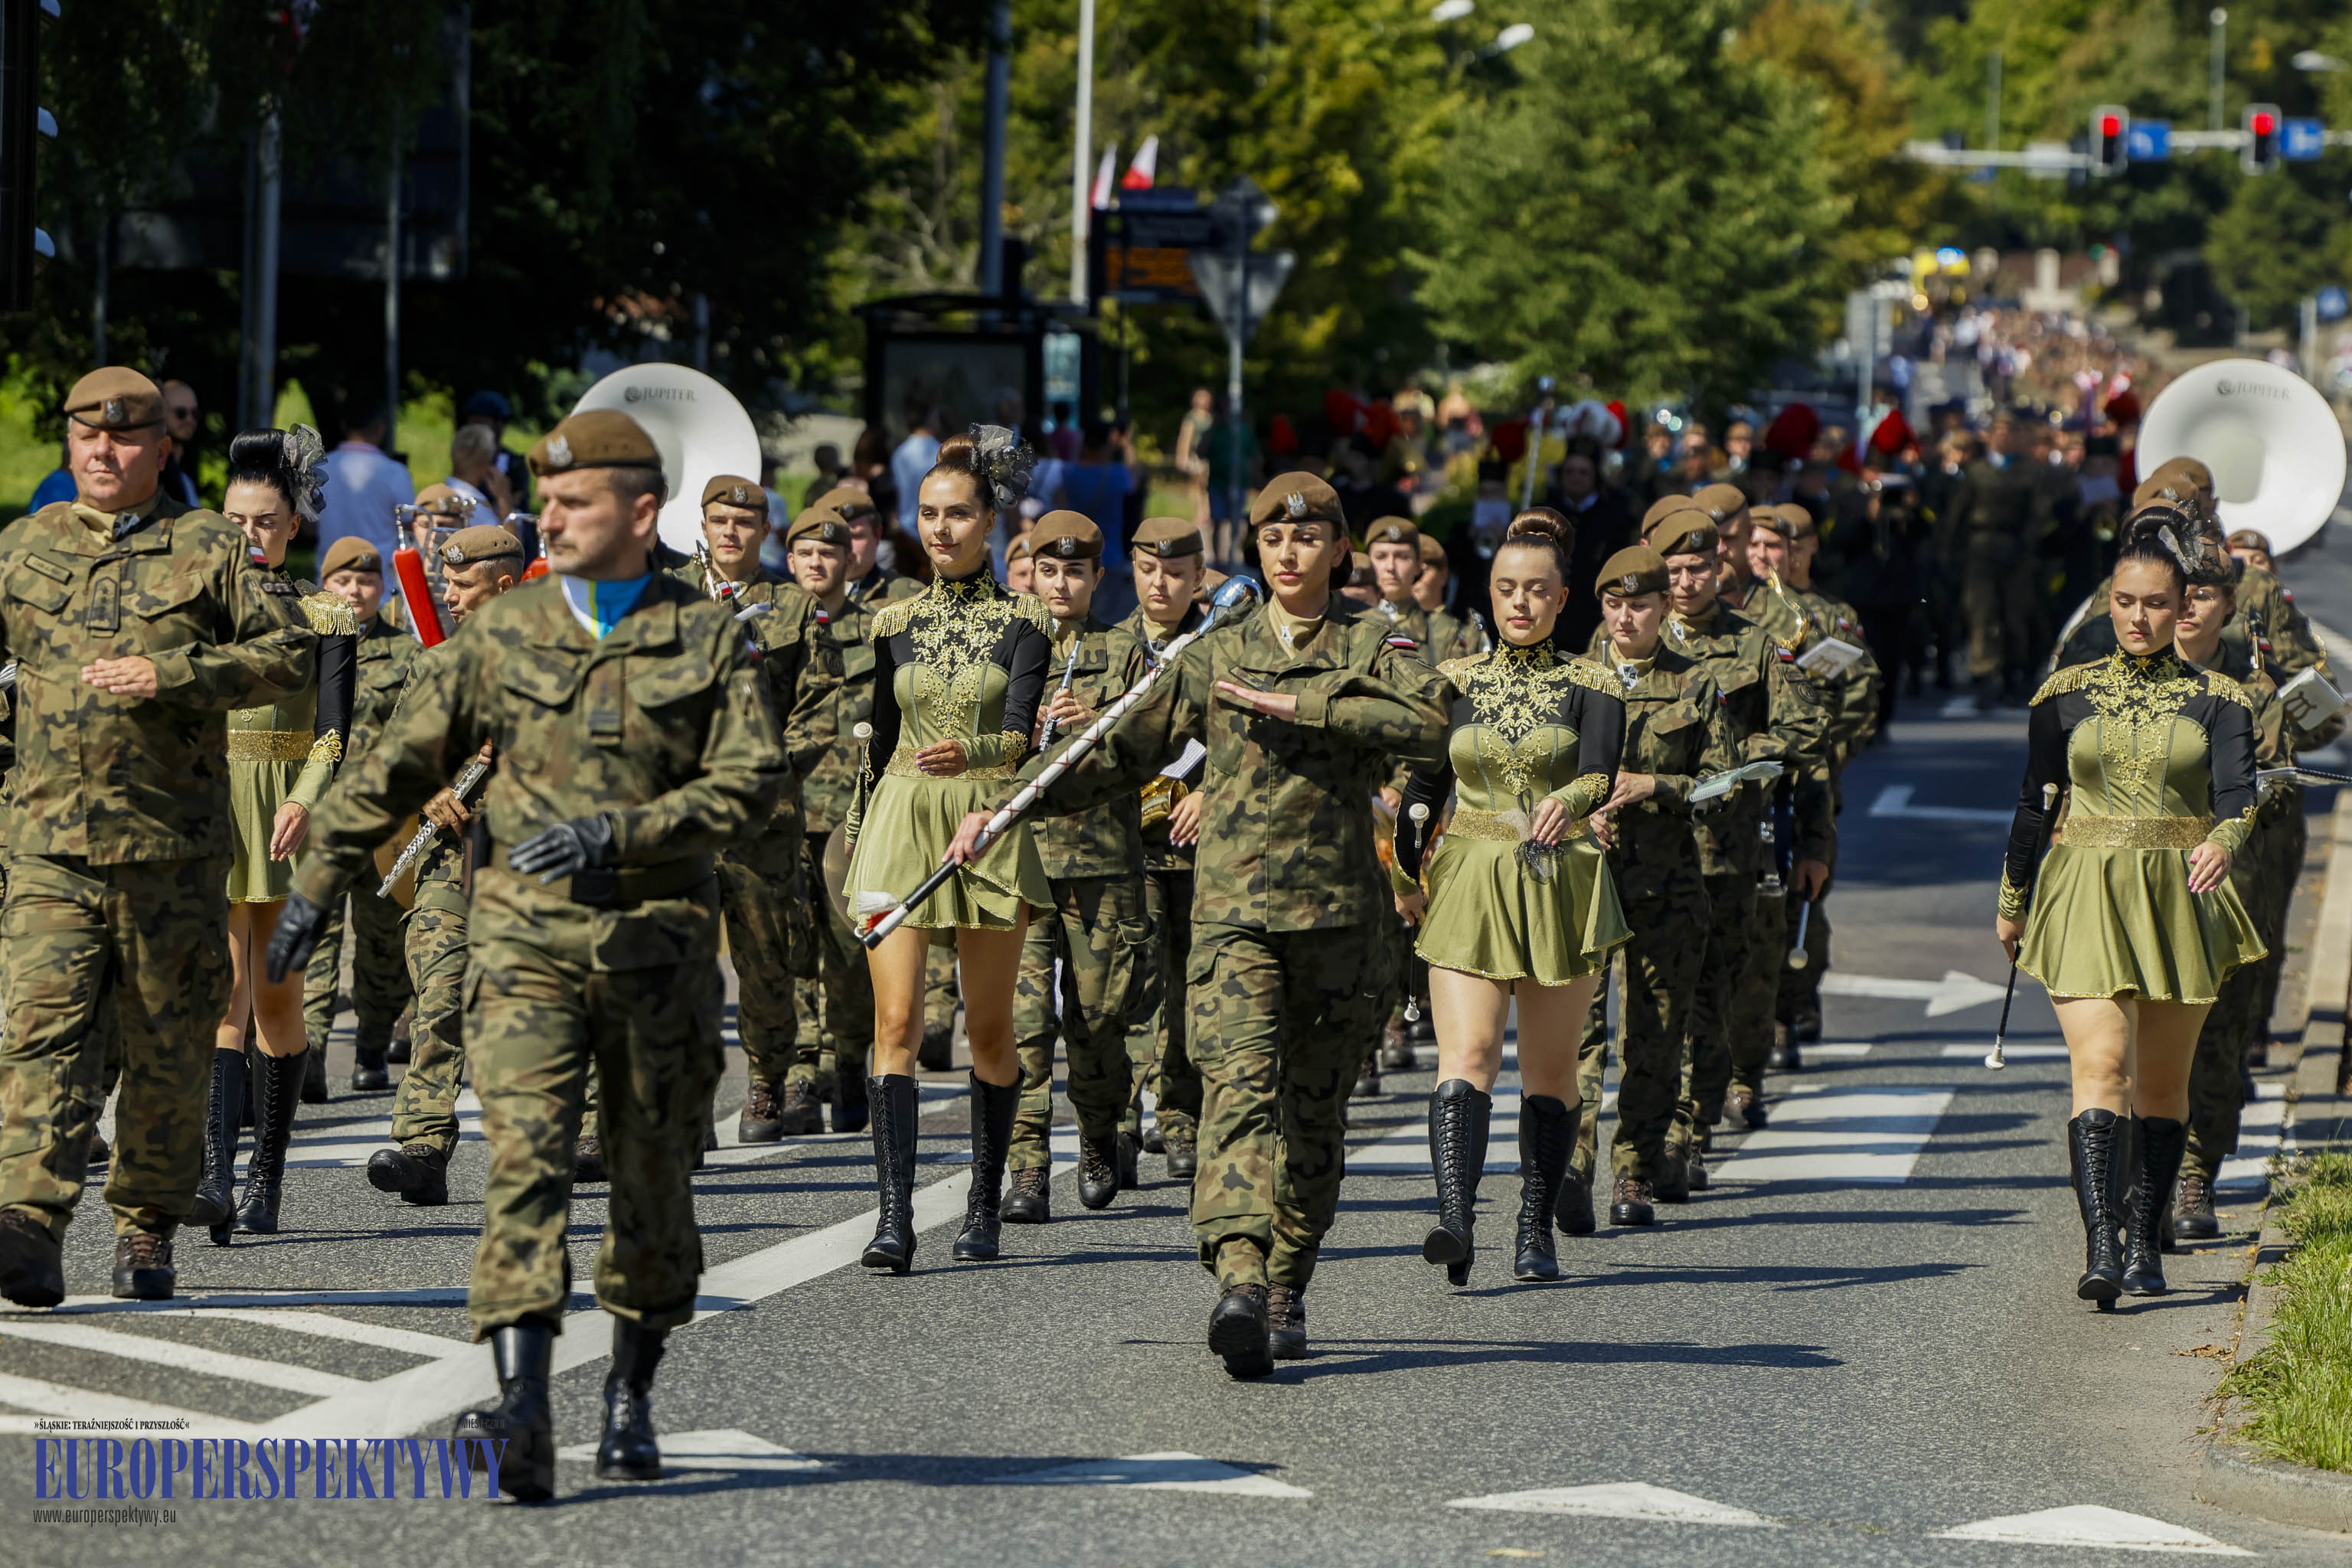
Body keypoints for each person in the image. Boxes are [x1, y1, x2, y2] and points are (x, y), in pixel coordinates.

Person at [266, 407, 785, 1498]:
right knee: (523, 1170)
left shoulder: (705, 635)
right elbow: (396, 764)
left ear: (642, 513)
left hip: (657, 952)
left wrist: (623, 831)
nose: (550, 517)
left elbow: (751, 784)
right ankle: (525, 1407)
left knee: (650, 1188)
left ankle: (632, 1390)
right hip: (527, 947)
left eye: (574, 503)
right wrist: (315, 888)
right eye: (543, 502)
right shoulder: (504, 635)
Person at [1013, 471, 1449, 1376]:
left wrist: (1306, 704)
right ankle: (1241, 1276)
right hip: (1233, 918)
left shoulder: (1375, 638)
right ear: (1256, 549)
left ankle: (1289, 1276)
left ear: (1338, 548)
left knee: (1314, 1110)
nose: (1289, 552)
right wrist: (1014, 799)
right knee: (1237, 1092)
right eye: (1273, 539)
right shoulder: (1218, 644)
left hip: (1337, 921)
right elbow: (1131, 741)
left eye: (1309, 537)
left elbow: (1432, 720)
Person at [0, 368, 314, 1309]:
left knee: (168, 1048)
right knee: (38, 1038)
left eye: (128, 437)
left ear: (160, 449)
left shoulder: (211, 548)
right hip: (49, 848)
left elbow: (288, 651)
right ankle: (28, 1220)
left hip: (172, 856)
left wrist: (174, 671)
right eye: (88, 437)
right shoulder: (23, 546)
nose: (105, 451)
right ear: (69, 443)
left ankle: (144, 1222)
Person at [1997, 510, 2265, 1306]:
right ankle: (2103, 1245)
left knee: (2159, 1085)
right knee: (2101, 1067)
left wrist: (2224, 838)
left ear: (2182, 606)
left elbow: (2241, 795)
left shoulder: (2221, 699)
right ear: (2108, 602)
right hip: (2082, 890)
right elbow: (2031, 804)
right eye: (2123, 600)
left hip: (2179, 898)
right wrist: (2012, 901)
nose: (2137, 617)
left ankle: (2148, 1234)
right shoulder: (2063, 694)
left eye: (2154, 603)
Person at [1392, 514, 1631, 1285]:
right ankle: (1455, 1220)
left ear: (1563, 598)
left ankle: (1535, 1223)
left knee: (1551, 1071)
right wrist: (1403, 871)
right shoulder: (1453, 682)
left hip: (1557, 878)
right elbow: (1423, 790)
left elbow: (1599, 770)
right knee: (1466, 1054)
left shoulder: (1594, 682)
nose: (1519, 603)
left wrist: (1574, 799)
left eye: (1536, 590)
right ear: (1488, 595)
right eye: (1505, 589)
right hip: (1468, 875)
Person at [844, 428, 1053, 1274]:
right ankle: (893, 1216)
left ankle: (981, 1202)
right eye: (928, 514)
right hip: (899, 814)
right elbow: (877, 738)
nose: (940, 528)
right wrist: (859, 830)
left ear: (989, 522)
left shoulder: (1025, 623)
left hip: (986, 821)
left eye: (958, 514)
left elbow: (1022, 734)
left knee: (991, 1030)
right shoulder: (891, 622)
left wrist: (972, 758)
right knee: (894, 1021)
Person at [183, 429, 359, 1245]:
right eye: (233, 519)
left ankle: (268, 1177)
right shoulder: (198, 607)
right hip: (215, 808)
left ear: (293, 525)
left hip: (290, 814)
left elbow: (333, 730)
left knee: (279, 1003)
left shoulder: (325, 613)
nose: (246, 534)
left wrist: (306, 797)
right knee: (225, 994)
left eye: (262, 521)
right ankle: (214, 1176)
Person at [1644, 507, 1831, 1154]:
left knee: (1717, 996)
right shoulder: (1627, 639)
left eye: (1701, 567)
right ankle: (1659, 1135)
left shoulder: (1754, 643)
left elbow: (1809, 737)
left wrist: (1732, 753)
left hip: (1729, 849)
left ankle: (1694, 1122)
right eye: (1675, 569)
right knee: (1652, 1005)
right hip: (1646, 853)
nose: (1690, 580)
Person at [1570, 546, 1738, 1227]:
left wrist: (1655, 787)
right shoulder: (1573, 681)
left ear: (1664, 608)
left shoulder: (1694, 684)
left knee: (1656, 1032)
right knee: (1578, 1033)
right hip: (1580, 883)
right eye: (1613, 604)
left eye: (1639, 605)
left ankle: (1634, 1172)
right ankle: (1570, 1166)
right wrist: (1580, 810)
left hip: (1665, 885)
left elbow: (1725, 785)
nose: (1625, 618)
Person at [361, 524, 524, 1210]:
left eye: (460, 584)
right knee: (440, 996)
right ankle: (423, 1145)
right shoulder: (435, 665)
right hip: (450, 864)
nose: (447, 595)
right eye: (445, 582)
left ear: (505, 587)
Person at [1004, 511, 1155, 1219]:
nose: (1059, 584)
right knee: (1023, 1022)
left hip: (1100, 859)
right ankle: (1027, 1167)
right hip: (1021, 856)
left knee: (1095, 1022)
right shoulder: (1011, 645)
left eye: (1074, 571)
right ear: (1029, 572)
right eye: (1047, 569)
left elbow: (1153, 751)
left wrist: (1097, 717)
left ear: (1098, 577)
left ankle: (1100, 1133)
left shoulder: (1126, 651)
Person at [678, 476, 832, 1145]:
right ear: (704, 524)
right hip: (682, 816)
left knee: (767, 963)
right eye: (720, 520)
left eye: (745, 522)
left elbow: (820, 704)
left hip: (762, 820)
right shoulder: (665, 594)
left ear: (765, 532)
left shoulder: (794, 608)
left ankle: (767, 1080)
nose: (731, 532)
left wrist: (768, 767)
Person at [299, 536, 416, 1095]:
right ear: (326, 585)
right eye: (343, 581)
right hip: (320, 819)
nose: (355, 591)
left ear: (382, 590)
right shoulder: (305, 644)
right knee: (316, 937)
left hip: (385, 825)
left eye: (366, 582)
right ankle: (311, 1057)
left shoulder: (408, 653)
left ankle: (371, 1044)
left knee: (382, 944)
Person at [1116, 516, 1214, 1178]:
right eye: (1150, 570)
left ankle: (1179, 1119)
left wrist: (1216, 790)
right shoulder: (1110, 644)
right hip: (1124, 840)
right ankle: (1118, 1121)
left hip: (1199, 843)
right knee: (1127, 983)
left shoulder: (1220, 645)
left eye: (1176, 574)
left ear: (1199, 578)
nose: (1162, 584)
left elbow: (1245, 733)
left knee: (1188, 989)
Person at [786, 504, 886, 1133]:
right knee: (789, 948)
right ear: (791, 560)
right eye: (805, 554)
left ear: (849, 561)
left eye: (830, 553)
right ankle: (798, 1072)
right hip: (784, 812)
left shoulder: (881, 629)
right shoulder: (766, 631)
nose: (818, 563)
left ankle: (848, 1058)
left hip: (854, 812)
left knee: (850, 951)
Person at [317, 402, 416, 590]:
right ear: (380, 429)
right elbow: (411, 525)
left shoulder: (321, 469)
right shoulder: (394, 472)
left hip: (329, 579)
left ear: (345, 427)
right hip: (377, 585)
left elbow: (309, 526)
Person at [445, 422, 518, 520]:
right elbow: (508, 536)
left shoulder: (440, 494)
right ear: (488, 462)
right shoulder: (476, 507)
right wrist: (505, 500)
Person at [890, 408, 943, 530]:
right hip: (934, 526)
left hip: (905, 527)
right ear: (931, 419)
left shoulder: (900, 453)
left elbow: (897, 491)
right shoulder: (940, 452)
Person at [160, 380, 202, 507]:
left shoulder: (186, 476)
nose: (189, 419)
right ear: (161, 413)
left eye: (194, 413)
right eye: (181, 413)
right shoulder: (152, 473)